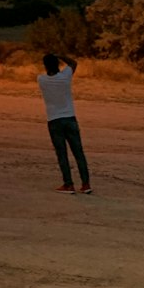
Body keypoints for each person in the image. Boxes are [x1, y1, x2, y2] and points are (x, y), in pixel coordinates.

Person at [37, 53, 92, 194]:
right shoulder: (65, 77)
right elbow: (73, 63)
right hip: (70, 118)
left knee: (62, 154)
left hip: (54, 120)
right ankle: (85, 184)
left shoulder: (41, 79)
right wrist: (60, 54)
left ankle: (68, 184)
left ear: (45, 66)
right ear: (57, 64)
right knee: (78, 153)